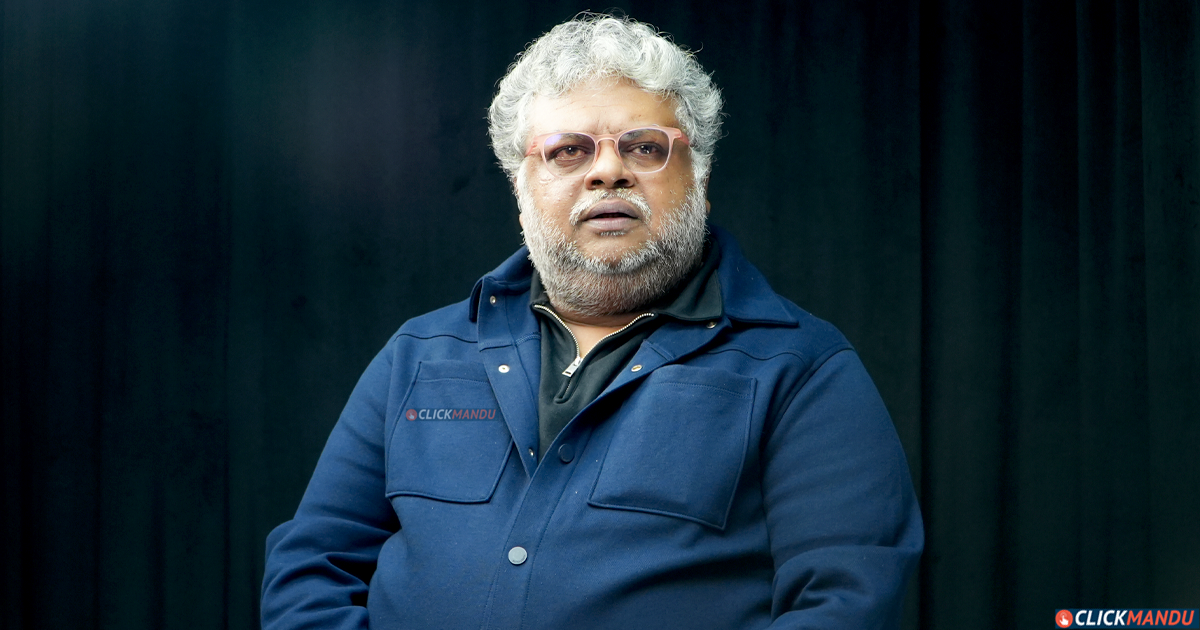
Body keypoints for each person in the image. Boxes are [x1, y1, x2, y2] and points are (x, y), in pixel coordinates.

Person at [262, 14, 923, 630]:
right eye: (569, 151)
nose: (608, 171)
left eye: (645, 147)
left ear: (700, 178)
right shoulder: (419, 354)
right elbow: (311, 571)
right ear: (521, 186)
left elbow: (844, 603)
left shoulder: (802, 369)